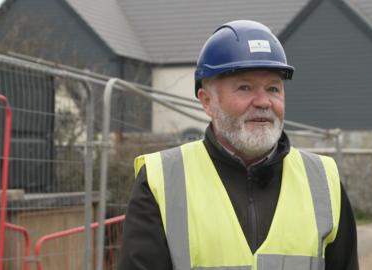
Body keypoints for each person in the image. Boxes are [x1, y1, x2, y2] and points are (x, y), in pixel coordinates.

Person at [118, 20, 358, 270]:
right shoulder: (161, 180)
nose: (263, 101)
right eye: (245, 87)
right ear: (207, 101)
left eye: (273, 89)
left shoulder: (323, 180)